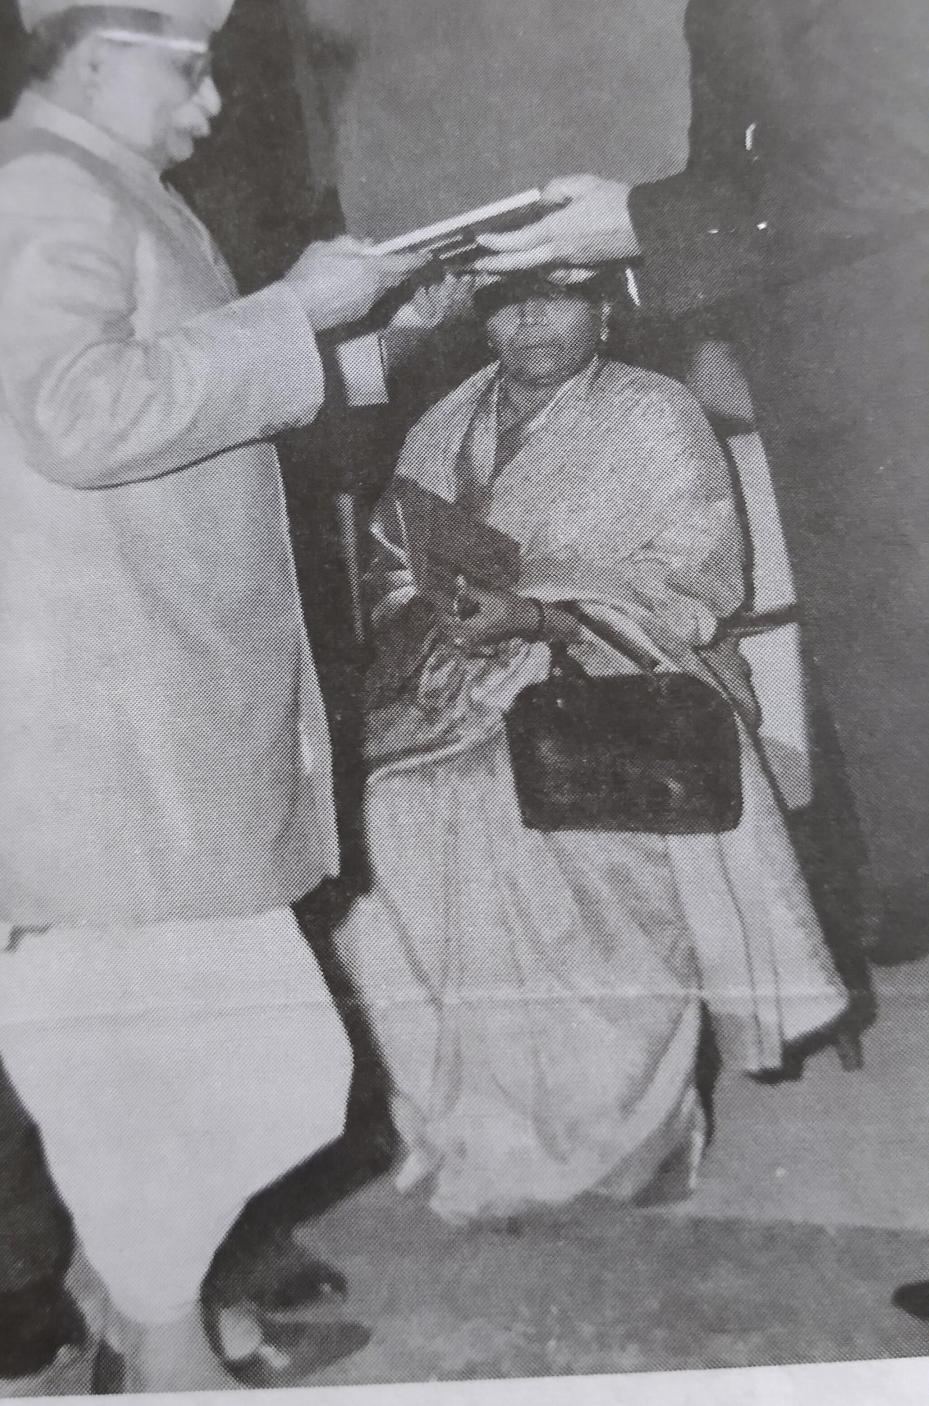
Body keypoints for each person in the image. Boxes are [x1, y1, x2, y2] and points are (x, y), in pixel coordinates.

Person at [0, 0, 420, 1392]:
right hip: (92, 741)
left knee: (201, 1070)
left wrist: (382, 327)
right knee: (197, 1077)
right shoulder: (39, 188)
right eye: (189, 73)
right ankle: (167, 1372)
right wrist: (298, 315)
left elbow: (183, 386)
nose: (211, 106)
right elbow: (84, 415)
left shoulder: (92, 185)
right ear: (95, 58)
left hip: (133, 728)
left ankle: (161, 1332)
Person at [473, 0, 929, 976]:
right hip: (864, 421)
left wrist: (641, 218)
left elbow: (898, 155)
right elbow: (759, 189)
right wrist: (626, 239)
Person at [337, 270, 846, 1226]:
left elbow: (697, 586)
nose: (530, 318)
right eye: (508, 300)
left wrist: (539, 614)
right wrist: (437, 609)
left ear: (606, 309)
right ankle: (484, 1123)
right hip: (454, 686)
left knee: (525, 815)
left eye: (560, 294)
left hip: (629, 676)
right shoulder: (441, 425)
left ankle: (634, 1132)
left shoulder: (656, 414)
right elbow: (389, 575)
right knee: (376, 819)